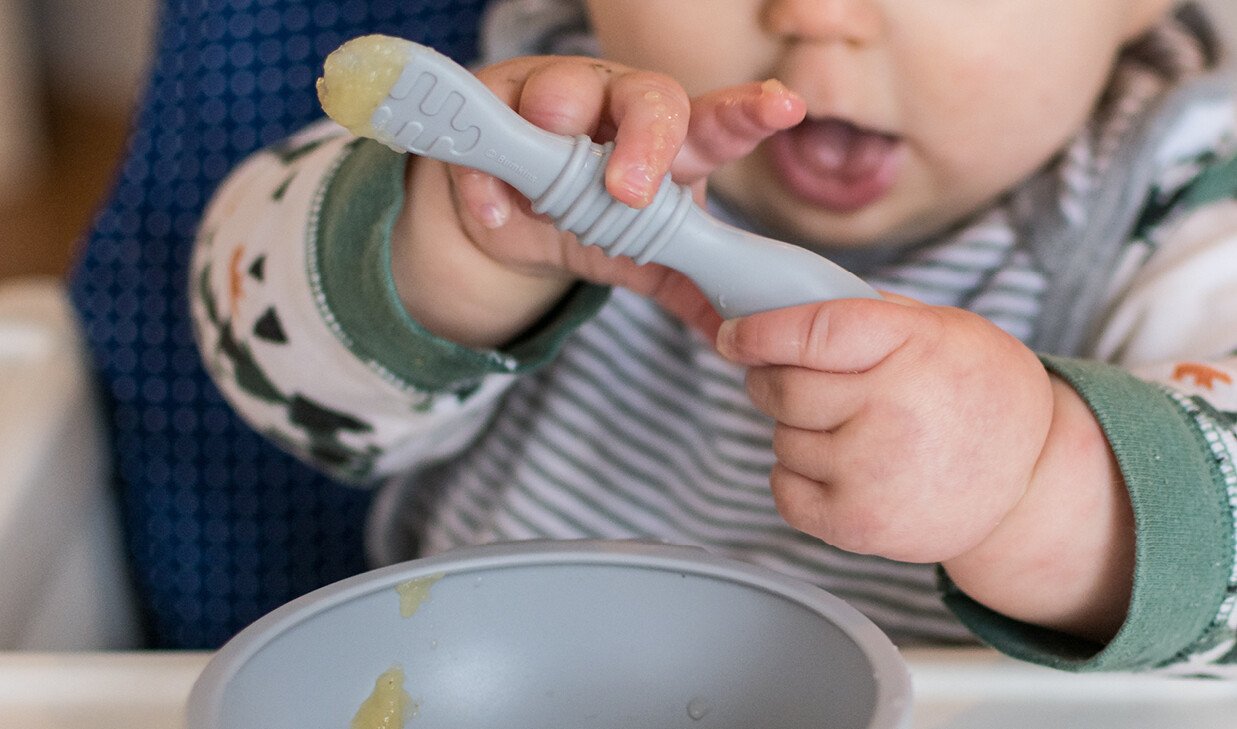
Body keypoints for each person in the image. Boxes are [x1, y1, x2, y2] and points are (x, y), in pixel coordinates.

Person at [190, 0, 1237, 672]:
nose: (815, 17)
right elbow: (264, 349)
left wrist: (1034, 479)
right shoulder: (529, 125)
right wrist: (457, 247)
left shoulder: (1182, 206)